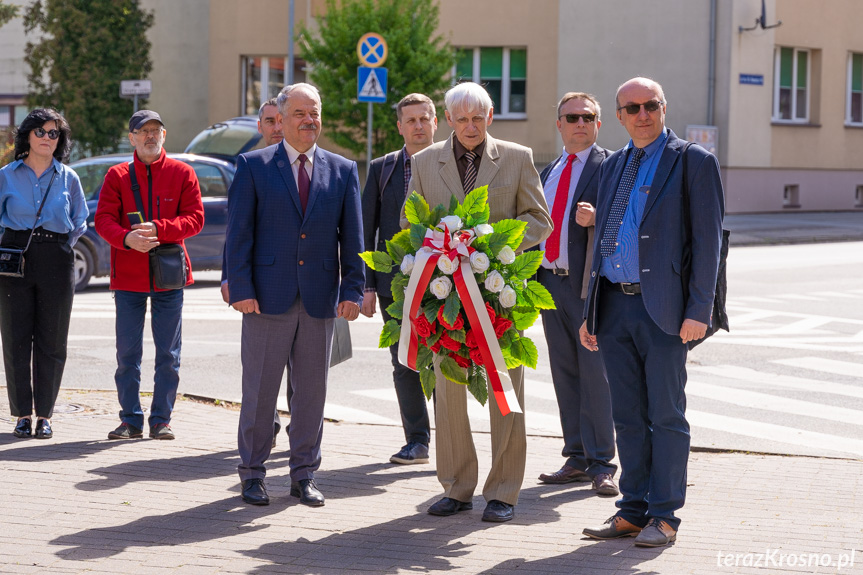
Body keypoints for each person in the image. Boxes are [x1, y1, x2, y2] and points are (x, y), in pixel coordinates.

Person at [580, 77, 724, 547]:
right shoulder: (613, 164)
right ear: (619, 117)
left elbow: (709, 243)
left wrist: (699, 308)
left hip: (664, 310)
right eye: (632, 108)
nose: (642, 114)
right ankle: (632, 509)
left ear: (664, 108)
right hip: (614, 305)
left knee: (666, 415)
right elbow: (601, 242)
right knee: (627, 415)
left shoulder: (693, 162)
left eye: (651, 105)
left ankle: (665, 515)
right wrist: (589, 309)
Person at [403, 82, 552, 523]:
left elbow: (539, 219)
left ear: (490, 117)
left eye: (478, 118)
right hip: (444, 296)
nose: (470, 126)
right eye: (461, 118)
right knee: (448, 394)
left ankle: (503, 491)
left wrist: (488, 249)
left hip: (499, 296)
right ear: (448, 120)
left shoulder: (517, 157)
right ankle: (456, 487)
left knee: (507, 393)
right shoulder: (425, 162)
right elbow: (409, 224)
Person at [226, 83, 364, 507]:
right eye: (300, 113)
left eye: (315, 112)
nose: (309, 120)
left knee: (311, 394)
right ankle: (252, 473)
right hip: (267, 298)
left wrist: (353, 289)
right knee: (260, 392)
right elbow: (239, 236)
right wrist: (242, 289)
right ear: (280, 120)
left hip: (321, 299)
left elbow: (353, 239)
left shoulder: (342, 170)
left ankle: (304, 474)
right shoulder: (253, 166)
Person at [95, 110, 205, 441]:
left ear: (164, 135)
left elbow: (195, 219)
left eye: (156, 130)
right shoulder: (116, 175)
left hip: (169, 278)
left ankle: (161, 420)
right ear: (131, 138)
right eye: (143, 131)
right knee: (127, 355)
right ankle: (130, 420)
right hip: (128, 277)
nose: (150, 136)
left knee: (168, 355)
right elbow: (103, 221)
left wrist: (160, 228)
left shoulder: (183, 172)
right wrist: (127, 239)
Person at [536, 92, 618, 496]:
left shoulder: (611, 166)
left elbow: (630, 222)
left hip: (588, 288)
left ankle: (604, 463)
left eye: (588, 117)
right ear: (560, 125)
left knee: (595, 374)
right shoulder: (550, 170)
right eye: (572, 117)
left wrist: (597, 217)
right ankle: (577, 456)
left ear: (599, 124)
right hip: (551, 283)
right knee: (564, 372)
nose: (580, 123)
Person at [0, 108, 88, 440]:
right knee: (15, 336)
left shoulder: (68, 177)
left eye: (54, 133)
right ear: (27, 136)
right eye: (41, 132)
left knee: (52, 339)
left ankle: (46, 415)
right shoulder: (6, 175)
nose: (48, 138)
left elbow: (80, 219)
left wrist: (57, 245)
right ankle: (22, 414)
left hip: (56, 256)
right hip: (13, 256)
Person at [360, 93, 437, 465]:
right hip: (396, 280)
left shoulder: (450, 163)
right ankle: (417, 440)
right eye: (411, 121)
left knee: (446, 358)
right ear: (400, 127)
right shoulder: (383, 168)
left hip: (447, 280)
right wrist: (368, 285)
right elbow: (367, 229)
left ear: (435, 122)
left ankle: (453, 441)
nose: (418, 126)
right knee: (404, 359)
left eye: (424, 119)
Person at [220, 97, 286, 448]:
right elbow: (236, 230)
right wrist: (229, 277)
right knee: (263, 365)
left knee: (300, 369)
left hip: (305, 289)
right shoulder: (249, 166)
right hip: (260, 288)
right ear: (260, 127)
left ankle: (298, 427)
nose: (277, 127)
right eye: (270, 121)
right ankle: (267, 425)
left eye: (281, 120)